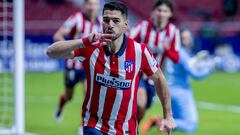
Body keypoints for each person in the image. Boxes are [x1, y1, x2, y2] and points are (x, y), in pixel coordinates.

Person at [47, 1, 176, 134]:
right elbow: (51, 52)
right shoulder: (91, 47)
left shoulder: (139, 51)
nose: (110, 25)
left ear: (125, 25)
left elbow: (159, 78)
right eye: (106, 20)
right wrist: (83, 41)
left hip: (126, 129)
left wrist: (168, 116)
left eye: (116, 21)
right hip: (94, 125)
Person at [141, 29, 216, 133]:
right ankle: (158, 120)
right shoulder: (182, 53)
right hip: (181, 91)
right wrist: (210, 68)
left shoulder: (177, 52)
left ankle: (160, 122)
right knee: (191, 125)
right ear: (180, 39)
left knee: (174, 122)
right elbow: (196, 75)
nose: (188, 40)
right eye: (185, 38)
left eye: (189, 37)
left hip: (171, 90)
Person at [130, 0, 180, 123]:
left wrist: (167, 50)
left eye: (165, 11)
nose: (161, 13)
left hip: (155, 77)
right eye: (159, 10)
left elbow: (176, 58)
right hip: (138, 73)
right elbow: (129, 43)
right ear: (153, 12)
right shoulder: (142, 26)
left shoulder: (173, 32)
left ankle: (131, 128)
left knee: (142, 109)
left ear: (170, 14)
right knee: (140, 103)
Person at [53, 0, 101, 122]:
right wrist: (69, 49)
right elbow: (58, 35)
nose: (92, 7)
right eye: (90, 4)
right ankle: (61, 103)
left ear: (98, 6)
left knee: (89, 95)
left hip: (89, 65)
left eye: (95, 4)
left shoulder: (101, 22)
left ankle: (83, 126)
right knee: (69, 96)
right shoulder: (76, 18)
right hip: (73, 65)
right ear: (84, 5)